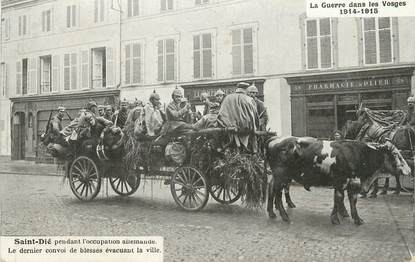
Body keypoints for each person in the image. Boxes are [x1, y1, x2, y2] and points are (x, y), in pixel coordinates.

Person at [217, 82, 259, 152]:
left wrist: (226, 125)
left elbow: (220, 115)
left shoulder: (227, 98)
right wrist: (256, 127)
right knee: (254, 145)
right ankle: (255, 152)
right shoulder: (249, 99)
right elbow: (255, 116)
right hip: (246, 130)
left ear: (237, 88)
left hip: (229, 130)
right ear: (246, 89)